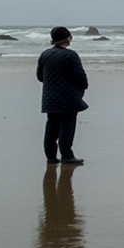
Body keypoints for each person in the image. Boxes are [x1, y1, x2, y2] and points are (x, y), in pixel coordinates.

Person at [37, 26, 89, 165]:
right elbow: (80, 76)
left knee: (51, 126)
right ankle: (67, 155)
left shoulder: (45, 54)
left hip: (50, 97)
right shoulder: (70, 55)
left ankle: (51, 157)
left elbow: (40, 76)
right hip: (68, 97)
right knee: (67, 126)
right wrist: (84, 86)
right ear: (68, 38)